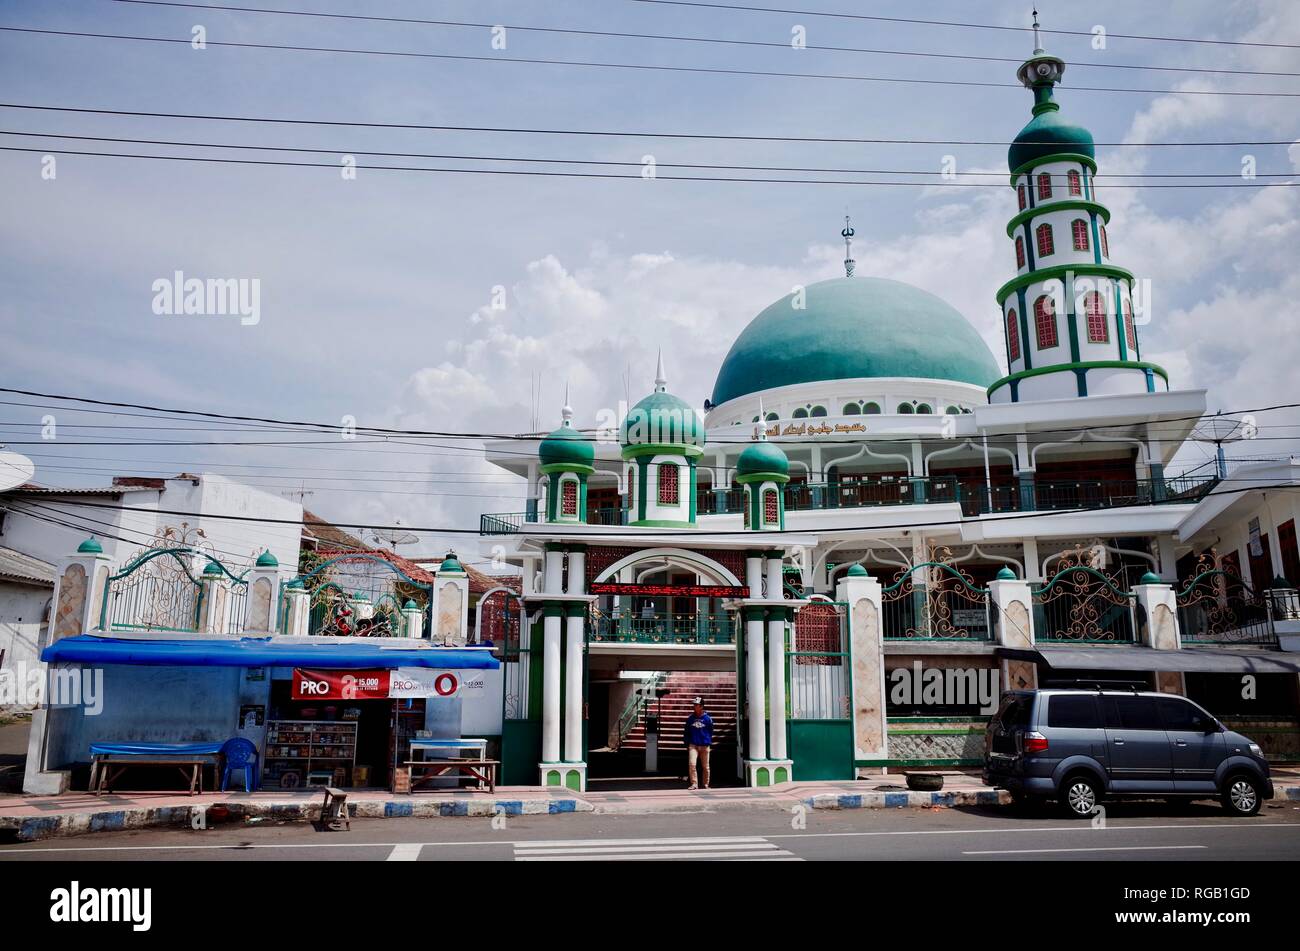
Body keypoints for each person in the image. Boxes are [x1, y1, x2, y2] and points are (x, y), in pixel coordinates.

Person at [683, 696, 713, 790]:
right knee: (692, 764)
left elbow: (710, 730)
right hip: (693, 745)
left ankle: (705, 784)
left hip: (704, 745)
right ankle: (694, 783)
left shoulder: (708, 719)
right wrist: (687, 743)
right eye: (694, 704)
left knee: (706, 767)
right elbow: (686, 731)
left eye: (696, 705)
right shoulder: (690, 718)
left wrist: (707, 741)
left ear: (701, 706)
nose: (694, 706)